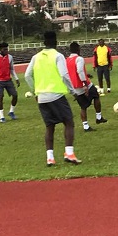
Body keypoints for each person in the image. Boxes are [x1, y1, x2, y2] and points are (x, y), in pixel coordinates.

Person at [25, 31, 81, 167]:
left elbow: (27, 75)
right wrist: (73, 91)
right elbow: (64, 75)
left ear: (44, 43)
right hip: (56, 95)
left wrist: (35, 92)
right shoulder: (58, 56)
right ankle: (69, 153)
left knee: (49, 127)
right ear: (56, 42)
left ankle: (50, 158)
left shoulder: (36, 57)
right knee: (69, 122)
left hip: (42, 98)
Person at [66, 42, 107, 132]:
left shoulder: (67, 60)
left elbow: (71, 73)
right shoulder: (79, 59)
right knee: (96, 95)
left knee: (83, 107)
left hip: (75, 87)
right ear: (78, 49)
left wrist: (86, 74)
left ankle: (86, 126)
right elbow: (79, 71)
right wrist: (84, 84)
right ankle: (98, 117)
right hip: (84, 85)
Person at [0, 42, 20, 123]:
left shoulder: (10, 57)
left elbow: (12, 69)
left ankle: (11, 112)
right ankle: (1, 117)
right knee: (0, 97)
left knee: (15, 95)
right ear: (0, 49)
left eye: (7, 49)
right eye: (5, 49)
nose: (6, 51)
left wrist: (16, 78)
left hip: (8, 80)